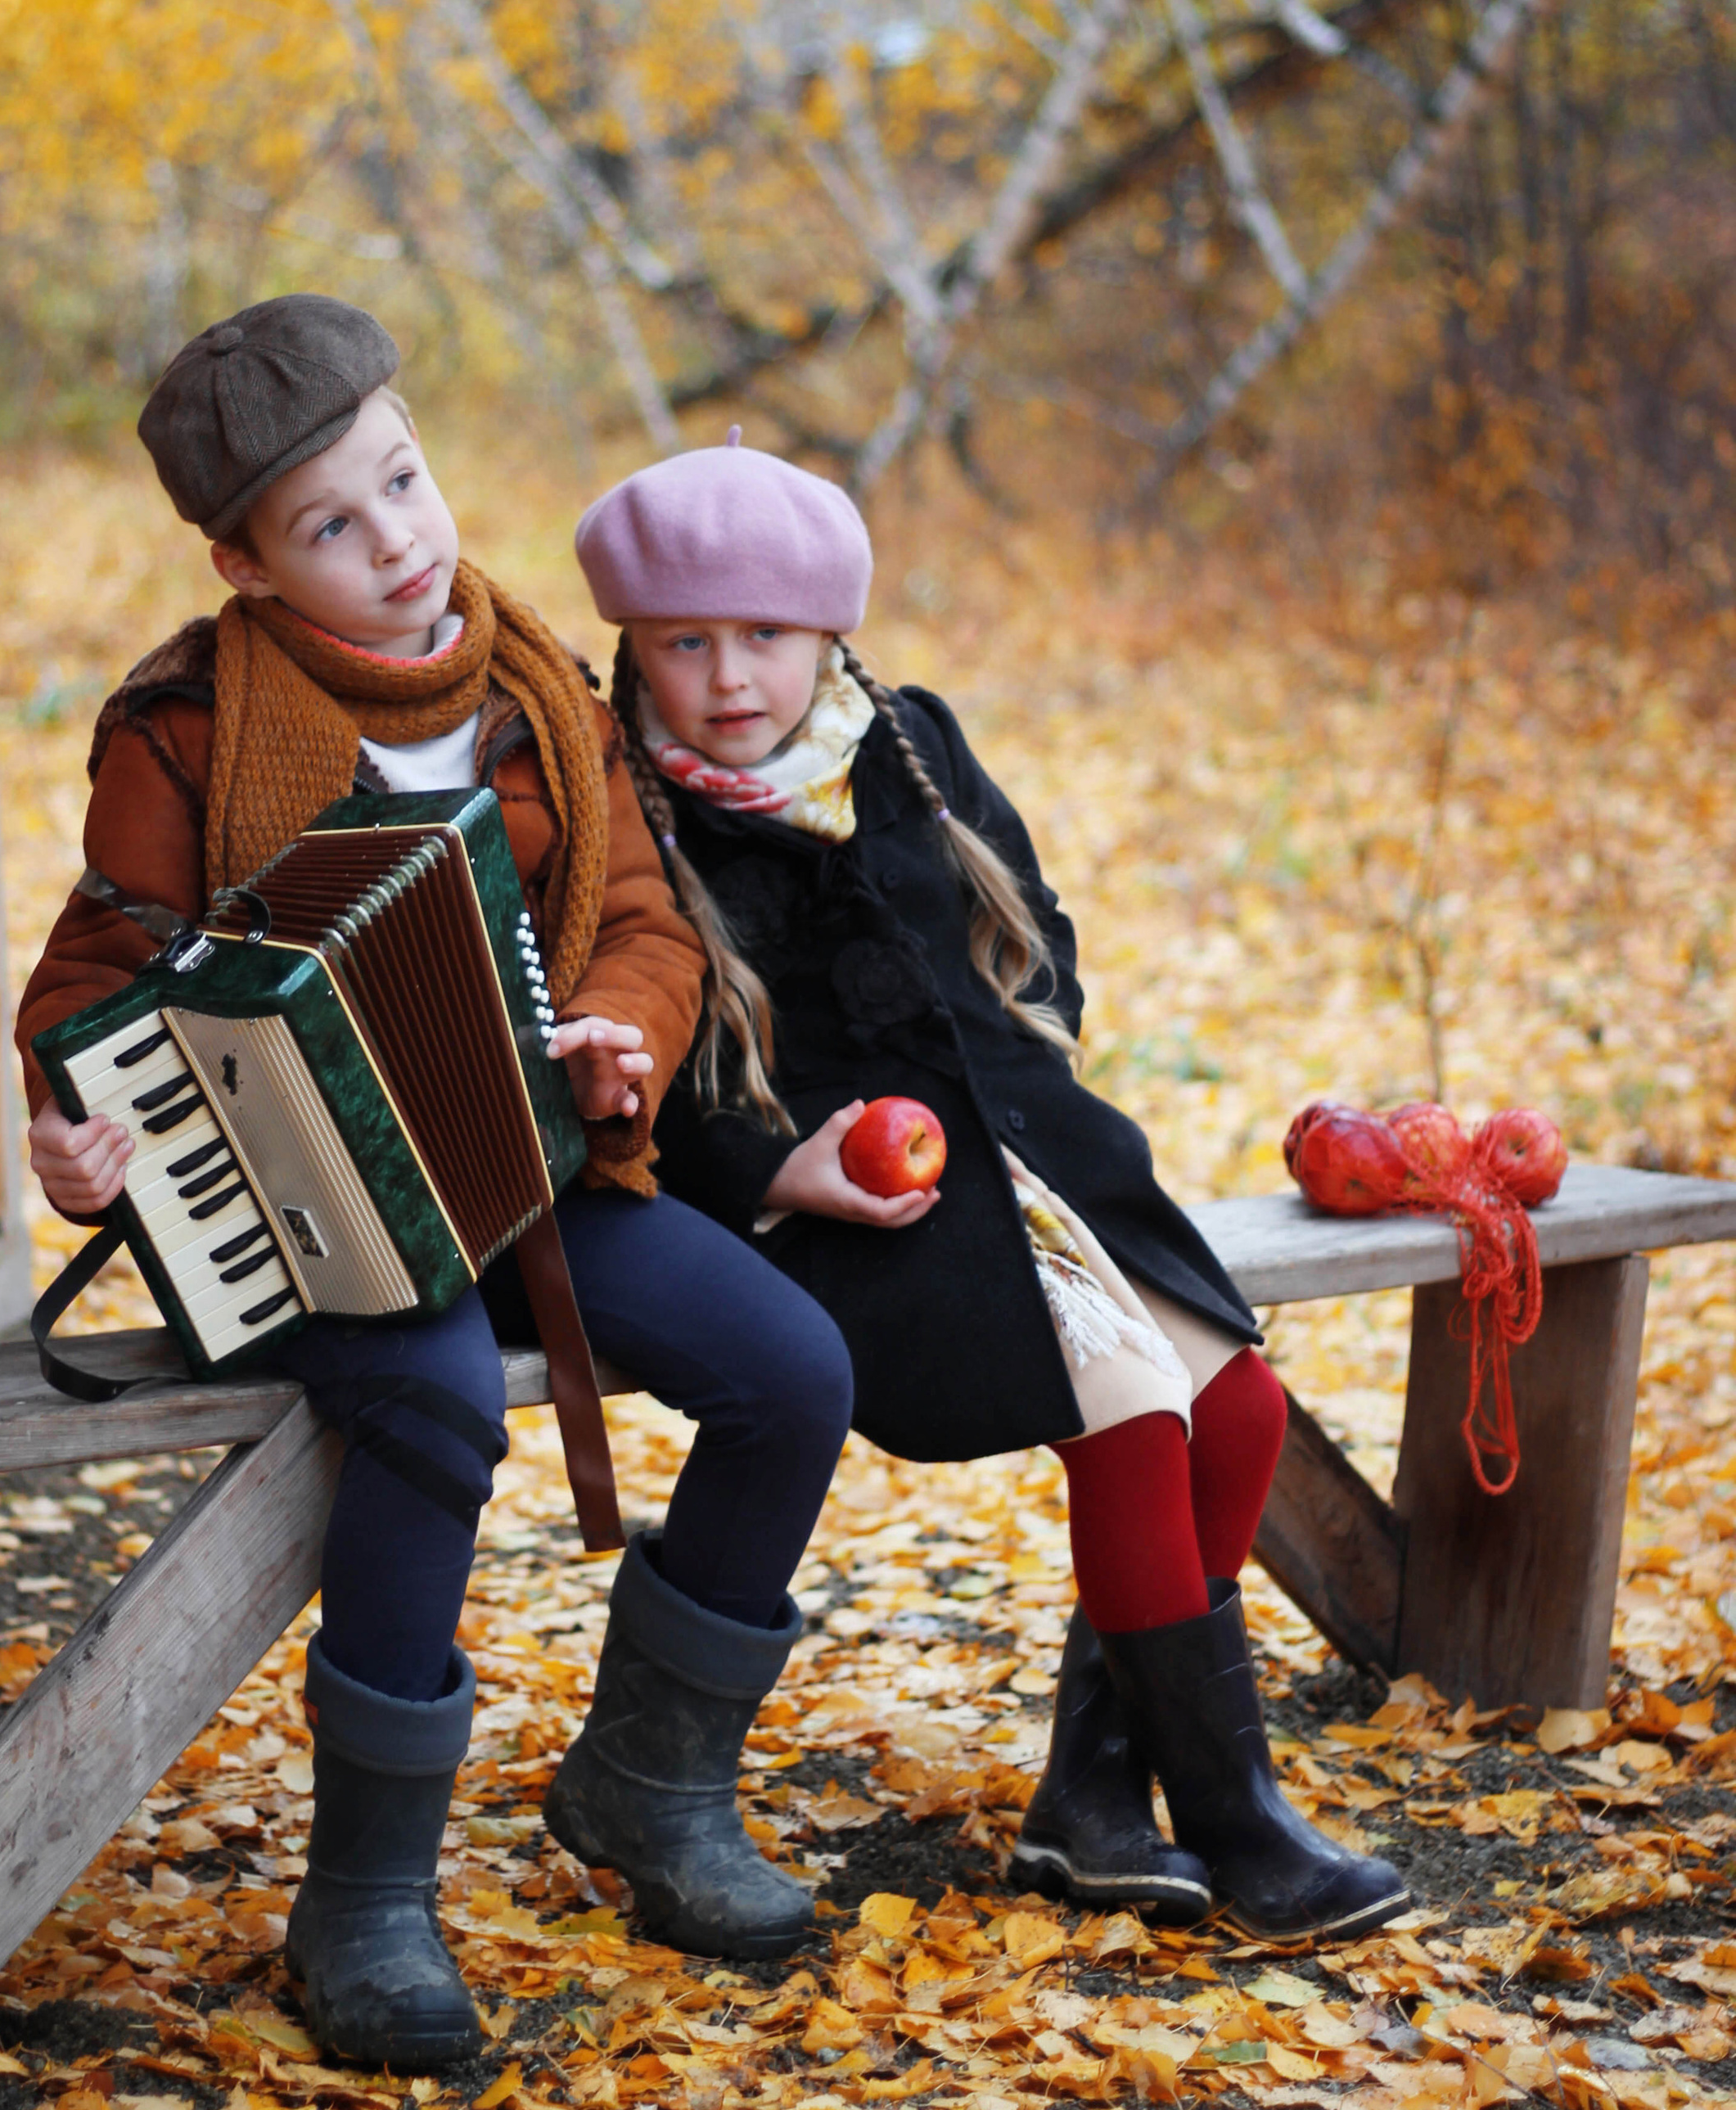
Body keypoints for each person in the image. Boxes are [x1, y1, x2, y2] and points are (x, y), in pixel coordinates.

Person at [16, 304, 855, 2068]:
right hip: (323, 1209)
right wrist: (81, 1140)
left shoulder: (536, 687)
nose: (398, 537)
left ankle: (649, 1788)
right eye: (331, 524)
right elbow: (97, 988)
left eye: (402, 480)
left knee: (791, 1370)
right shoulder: (179, 731)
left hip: (539, 1171)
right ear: (244, 561)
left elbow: (638, 916)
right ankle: (366, 1902)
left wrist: (621, 1035)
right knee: (430, 1399)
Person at [571, 431, 1409, 1945]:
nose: (729, 676)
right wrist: (779, 1169)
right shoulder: (619, 800)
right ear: (632, 642)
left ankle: (1092, 1802)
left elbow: (1037, 923)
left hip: (1022, 1142)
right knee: (1138, 1418)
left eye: (764, 634)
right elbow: (638, 1047)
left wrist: (1031, 1059)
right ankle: (1236, 1819)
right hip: (836, 1208)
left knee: (1241, 1407)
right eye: (684, 642)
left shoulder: (903, 742)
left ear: (830, 632)